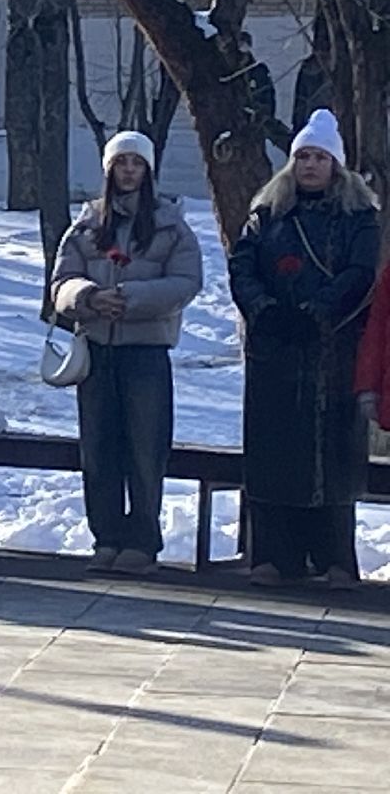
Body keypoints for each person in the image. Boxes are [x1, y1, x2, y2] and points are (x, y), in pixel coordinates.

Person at [231, 109, 378, 588]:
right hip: (273, 350)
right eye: (303, 157)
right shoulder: (266, 215)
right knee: (274, 450)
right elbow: (242, 267)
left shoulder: (358, 218)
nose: (310, 165)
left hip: (333, 351)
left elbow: (360, 274)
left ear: (335, 164)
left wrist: (318, 312)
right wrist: (265, 309)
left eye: (319, 157)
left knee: (333, 457)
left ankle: (335, 559)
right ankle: (273, 557)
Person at [50, 130, 203, 576]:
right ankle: (106, 538)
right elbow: (61, 283)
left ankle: (141, 541)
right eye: (121, 163)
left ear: (148, 170)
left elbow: (186, 282)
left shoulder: (171, 225)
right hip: (96, 351)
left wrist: (131, 298)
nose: (129, 171)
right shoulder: (86, 225)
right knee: (98, 449)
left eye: (137, 163)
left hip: (146, 352)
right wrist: (90, 297)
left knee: (144, 449)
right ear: (108, 170)